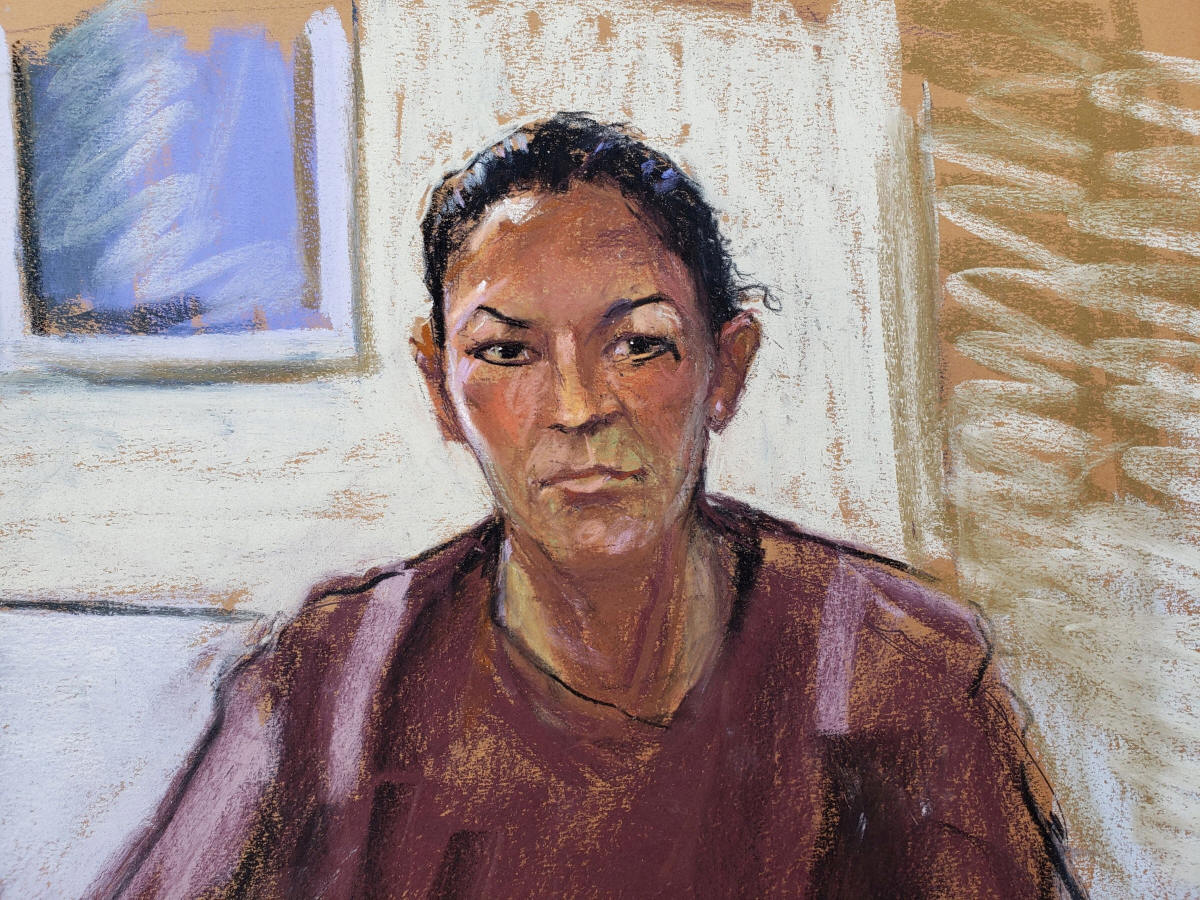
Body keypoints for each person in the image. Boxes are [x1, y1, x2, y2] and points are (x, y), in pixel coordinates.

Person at [96, 113, 1084, 899]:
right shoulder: (330, 687)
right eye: (506, 352)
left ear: (726, 366)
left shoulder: (894, 672)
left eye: (639, 345)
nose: (577, 408)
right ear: (440, 387)